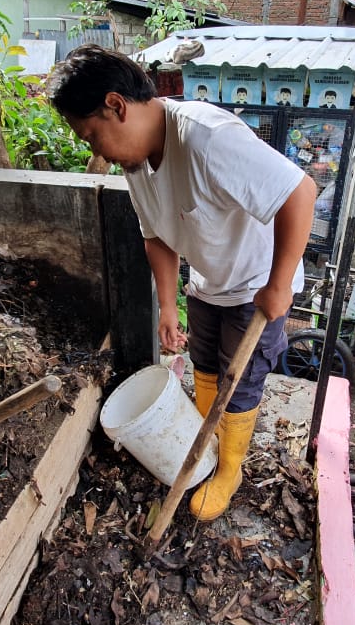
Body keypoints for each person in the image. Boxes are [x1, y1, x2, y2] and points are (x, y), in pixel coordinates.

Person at [49, 45, 317, 519]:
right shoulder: (137, 161)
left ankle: (229, 468)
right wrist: (169, 306)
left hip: (256, 286)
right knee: (206, 369)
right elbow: (156, 237)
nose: (97, 153)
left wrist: (279, 284)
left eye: (92, 137)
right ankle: (207, 444)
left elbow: (298, 192)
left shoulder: (206, 138)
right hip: (210, 282)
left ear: (117, 106)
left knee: (241, 383)